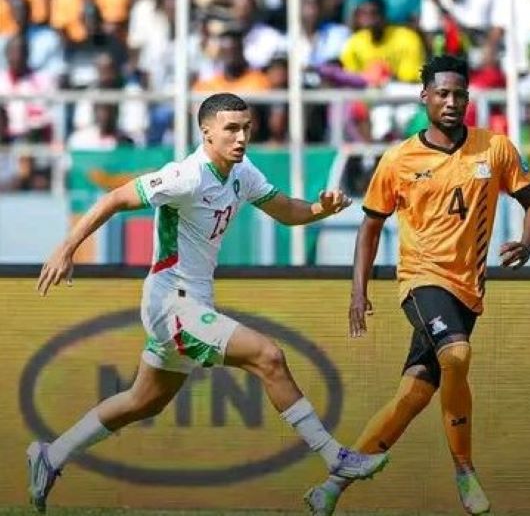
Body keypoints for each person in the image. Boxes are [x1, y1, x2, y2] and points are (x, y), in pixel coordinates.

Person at [28, 92, 389, 513]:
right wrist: (65, 249)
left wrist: (320, 209)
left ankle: (51, 456)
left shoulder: (242, 171)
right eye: (231, 129)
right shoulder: (185, 176)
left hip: (193, 300)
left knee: (143, 400)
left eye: (246, 128)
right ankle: (334, 457)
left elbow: (288, 212)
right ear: (207, 133)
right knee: (268, 356)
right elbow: (114, 199)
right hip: (171, 302)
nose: (241, 138)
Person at [304, 55, 530, 515]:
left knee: (413, 395)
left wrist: (527, 243)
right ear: (425, 98)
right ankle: (465, 469)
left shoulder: (495, 148)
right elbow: (370, 227)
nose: (451, 102)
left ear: (468, 98)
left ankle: (330, 488)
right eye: (442, 94)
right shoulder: (398, 159)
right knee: (456, 354)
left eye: (459, 94)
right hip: (420, 280)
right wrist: (358, 291)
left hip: (467, 290)